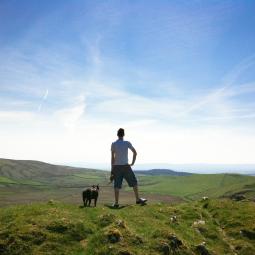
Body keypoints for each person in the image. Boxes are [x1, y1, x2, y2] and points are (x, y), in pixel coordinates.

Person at [110, 128, 147, 208]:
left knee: (117, 186)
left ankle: (116, 203)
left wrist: (112, 170)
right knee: (134, 182)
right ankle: (137, 199)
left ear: (117, 134)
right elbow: (135, 153)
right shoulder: (127, 143)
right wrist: (132, 163)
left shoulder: (113, 144)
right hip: (126, 166)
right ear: (124, 134)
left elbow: (112, 158)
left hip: (116, 167)